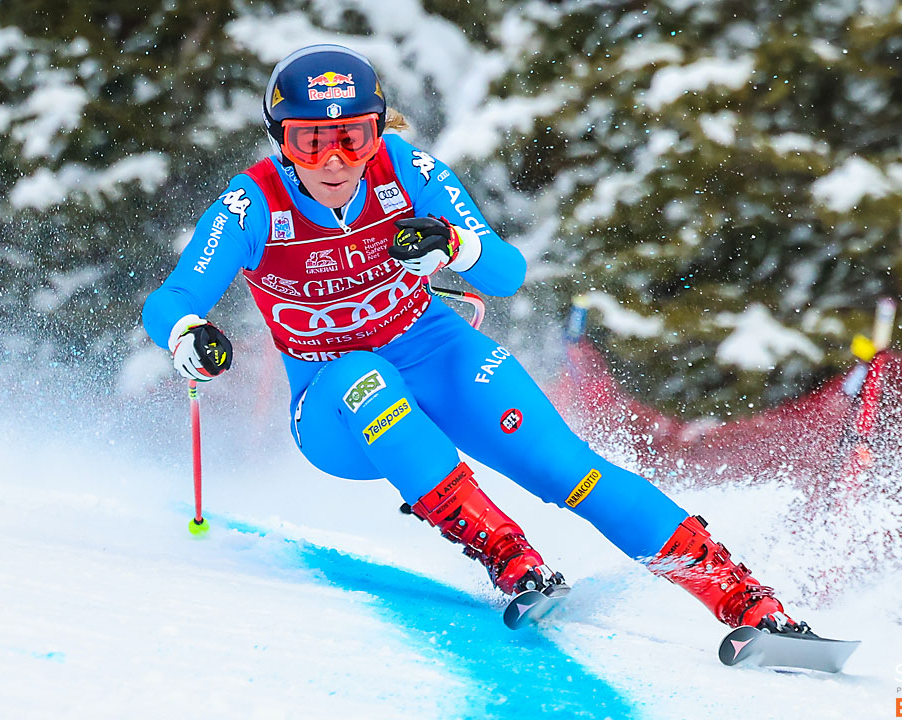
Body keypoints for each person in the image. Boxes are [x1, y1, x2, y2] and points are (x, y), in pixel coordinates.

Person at [143, 44, 805, 632]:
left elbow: (506, 270)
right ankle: (508, 555)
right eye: (311, 142)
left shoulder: (408, 171)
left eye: (354, 137)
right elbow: (174, 298)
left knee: (569, 471)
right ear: (280, 141)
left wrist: (452, 246)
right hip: (334, 407)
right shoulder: (252, 203)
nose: (336, 161)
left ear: (378, 131)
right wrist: (187, 334)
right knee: (359, 373)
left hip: (438, 357)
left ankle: (745, 601)